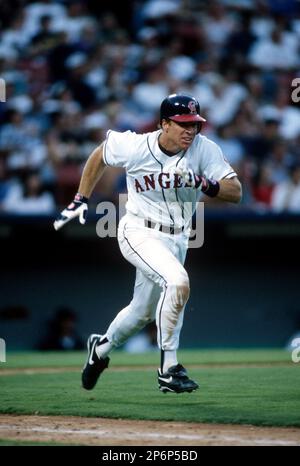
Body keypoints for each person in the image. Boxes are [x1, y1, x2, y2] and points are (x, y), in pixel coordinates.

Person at [54, 94, 242, 393]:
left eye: (194, 124)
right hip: (138, 230)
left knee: (141, 312)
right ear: (163, 124)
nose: (190, 131)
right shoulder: (137, 145)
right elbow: (100, 155)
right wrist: (81, 198)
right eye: (182, 124)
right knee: (178, 282)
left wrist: (203, 183)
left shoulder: (205, 149)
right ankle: (169, 368)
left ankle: (100, 350)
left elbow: (235, 192)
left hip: (178, 238)